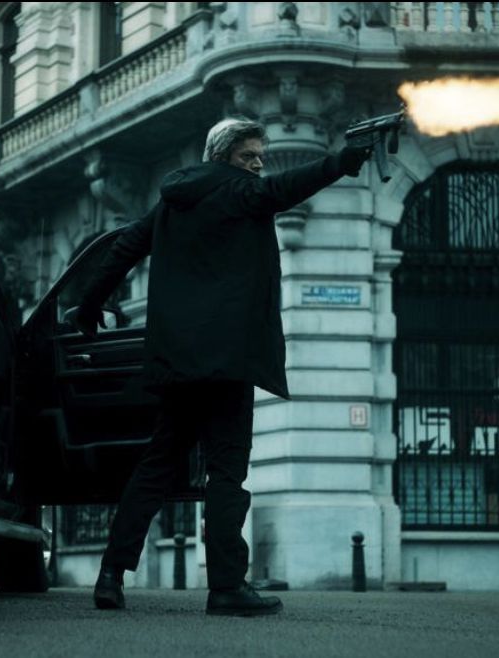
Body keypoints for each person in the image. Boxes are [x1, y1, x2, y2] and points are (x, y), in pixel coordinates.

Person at [72, 118, 371, 616]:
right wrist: (341, 161)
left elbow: (124, 246)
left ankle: (110, 576)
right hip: (228, 361)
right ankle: (227, 587)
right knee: (227, 472)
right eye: (249, 155)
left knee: (156, 467)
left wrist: (87, 306)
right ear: (225, 155)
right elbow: (287, 185)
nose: (258, 164)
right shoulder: (240, 192)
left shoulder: (171, 201)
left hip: (176, 361)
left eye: (260, 156)